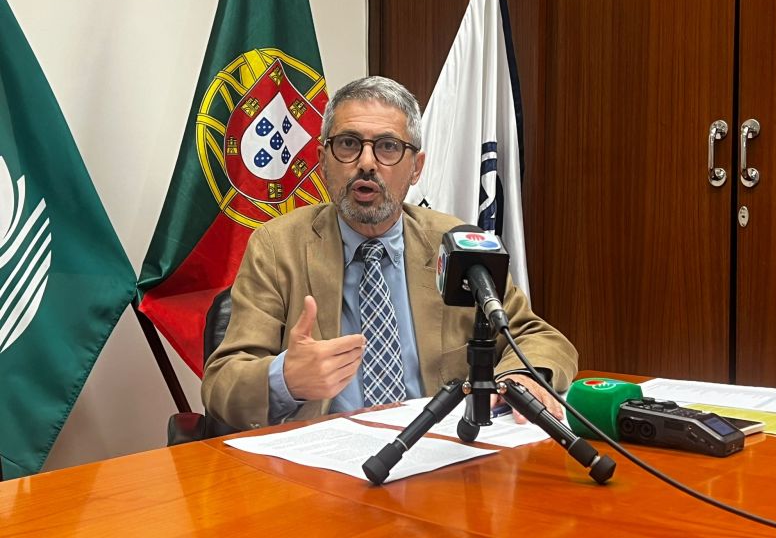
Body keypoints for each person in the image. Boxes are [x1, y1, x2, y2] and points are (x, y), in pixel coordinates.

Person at [201, 76, 578, 430]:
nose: (366, 163)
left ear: (416, 168)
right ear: (322, 160)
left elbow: (537, 337)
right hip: (324, 457)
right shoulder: (277, 246)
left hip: (440, 451)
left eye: (387, 147)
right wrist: (285, 379)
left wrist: (520, 376)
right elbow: (221, 384)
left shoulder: (456, 243)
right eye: (348, 144)